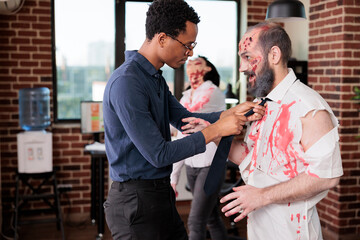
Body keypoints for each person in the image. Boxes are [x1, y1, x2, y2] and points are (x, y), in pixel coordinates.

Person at [102, 0, 265, 239]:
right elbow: (159, 154)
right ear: (162, 39)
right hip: (135, 202)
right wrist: (217, 129)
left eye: (193, 46)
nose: (189, 53)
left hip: (159, 196)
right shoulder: (127, 82)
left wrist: (229, 113)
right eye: (187, 45)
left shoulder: (153, 78)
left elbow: (184, 118)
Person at [218, 22, 344, 239]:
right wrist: (211, 134)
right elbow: (252, 157)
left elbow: (327, 176)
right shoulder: (263, 102)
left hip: (293, 231)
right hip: (259, 225)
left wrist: (262, 197)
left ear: (274, 55)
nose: (241, 67)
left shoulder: (308, 107)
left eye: (247, 57)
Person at [170, 56, 228, 240]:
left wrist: (173, 176)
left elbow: (184, 130)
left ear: (208, 69)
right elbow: (177, 131)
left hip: (211, 163)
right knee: (210, 217)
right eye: (189, 64)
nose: (192, 66)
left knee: (195, 221)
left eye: (198, 63)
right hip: (192, 163)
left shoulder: (212, 93)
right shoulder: (186, 96)